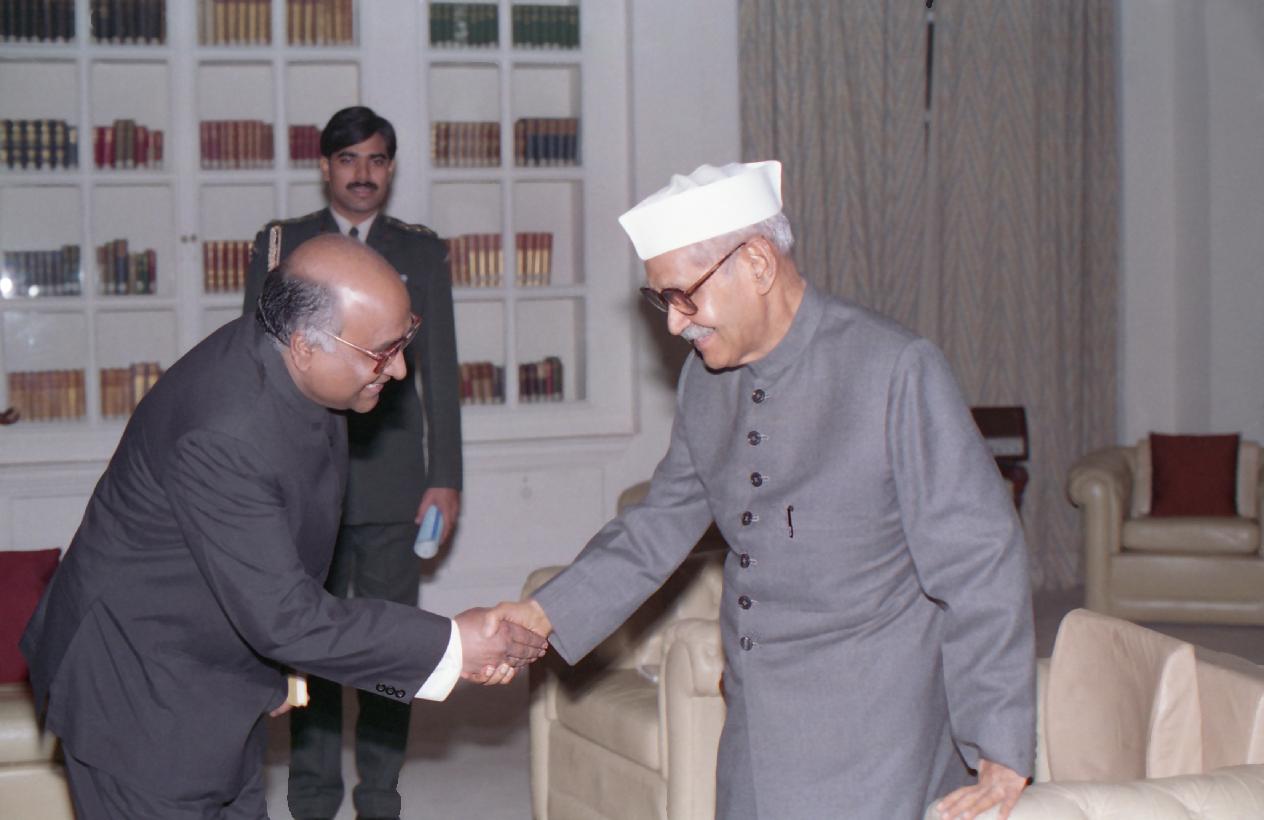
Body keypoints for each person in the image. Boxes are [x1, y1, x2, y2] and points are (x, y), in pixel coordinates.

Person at [490, 161, 1037, 820]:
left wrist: (1000, 749)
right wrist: (543, 614)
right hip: (754, 722)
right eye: (662, 300)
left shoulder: (893, 368)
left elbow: (979, 560)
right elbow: (657, 525)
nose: (674, 324)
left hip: (875, 732)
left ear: (756, 263)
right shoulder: (703, 381)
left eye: (683, 296)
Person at [21, 234, 545, 820]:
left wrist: (273, 668)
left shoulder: (301, 370)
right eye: (383, 352)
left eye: (406, 339)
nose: (399, 369)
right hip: (139, 696)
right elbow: (286, 617)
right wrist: (454, 645)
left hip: (214, 675)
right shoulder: (224, 433)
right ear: (304, 346)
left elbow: (281, 561)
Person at [241, 106, 462, 820]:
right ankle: (312, 798)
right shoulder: (283, 245)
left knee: (393, 645)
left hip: (395, 481)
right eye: (348, 159)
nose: (362, 174)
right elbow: (259, 363)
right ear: (325, 166)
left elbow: (440, 372)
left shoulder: (419, 250)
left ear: (391, 168)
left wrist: (446, 477)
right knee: (309, 646)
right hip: (308, 481)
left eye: (376, 159)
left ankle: (380, 795)